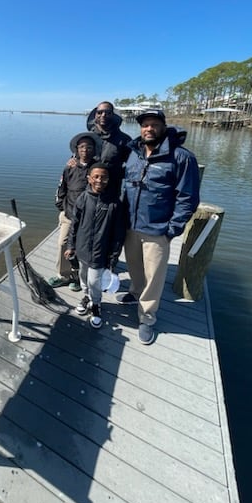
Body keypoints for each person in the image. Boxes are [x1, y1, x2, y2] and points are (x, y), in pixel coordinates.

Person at [117, 109, 200, 345]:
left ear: (163, 127)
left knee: (154, 276)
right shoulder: (134, 153)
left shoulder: (182, 157)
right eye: (145, 125)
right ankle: (135, 293)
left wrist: (172, 229)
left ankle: (147, 317)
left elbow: (188, 198)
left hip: (158, 230)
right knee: (135, 267)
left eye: (154, 125)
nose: (149, 129)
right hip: (131, 225)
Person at [65, 162, 125, 329]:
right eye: (96, 176)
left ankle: (96, 304)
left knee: (94, 281)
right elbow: (74, 225)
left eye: (103, 177)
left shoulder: (114, 203)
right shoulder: (82, 198)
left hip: (101, 253)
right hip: (82, 250)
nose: (100, 180)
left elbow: (118, 234)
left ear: (109, 180)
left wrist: (113, 257)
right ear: (89, 178)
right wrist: (71, 246)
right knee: (83, 278)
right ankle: (86, 297)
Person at [48, 132, 100, 291]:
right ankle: (64, 275)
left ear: (94, 149)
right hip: (69, 214)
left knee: (83, 246)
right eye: (82, 147)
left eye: (89, 147)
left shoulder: (97, 168)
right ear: (77, 149)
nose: (85, 150)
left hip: (89, 217)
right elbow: (61, 189)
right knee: (63, 243)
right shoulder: (69, 167)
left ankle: (78, 277)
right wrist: (61, 207)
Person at [85, 100, 132, 196]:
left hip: (111, 192)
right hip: (87, 190)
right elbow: (77, 160)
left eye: (108, 113)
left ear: (113, 115)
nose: (103, 115)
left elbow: (133, 165)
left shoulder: (124, 139)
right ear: (95, 115)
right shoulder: (87, 137)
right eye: (100, 112)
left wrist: (114, 174)